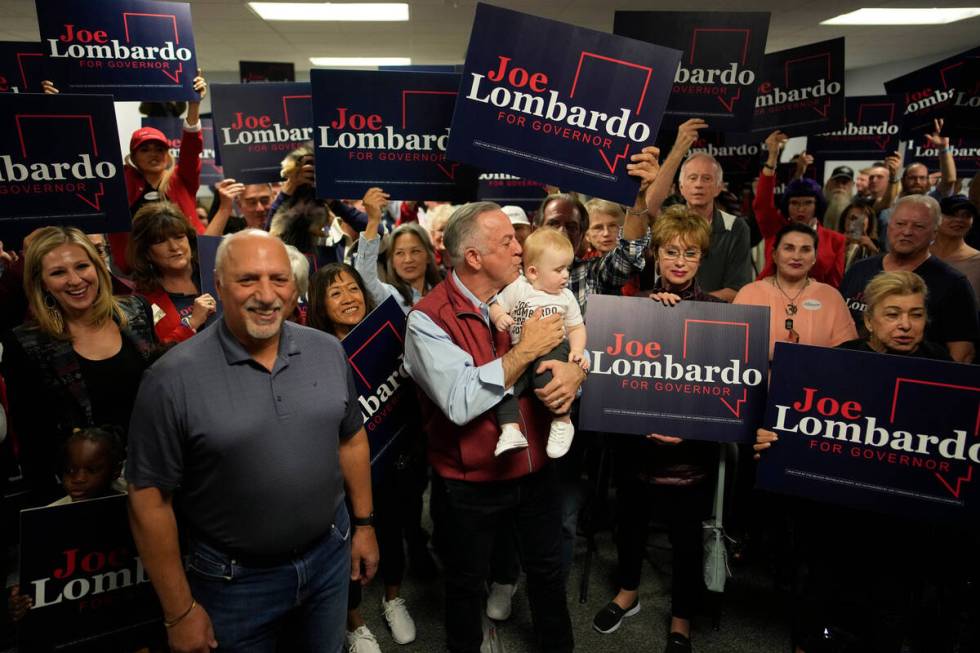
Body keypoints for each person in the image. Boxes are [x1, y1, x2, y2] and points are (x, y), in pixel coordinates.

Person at [126, 229, 378, 653]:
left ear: (295, 286)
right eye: (247, 280)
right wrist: (179, 610)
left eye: (278, 279)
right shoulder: (171, 379)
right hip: (234, 583)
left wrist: (365, 526)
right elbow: (148, 500)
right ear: (218, 286)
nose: (266, 294)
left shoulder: (328, 351)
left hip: (329, 562)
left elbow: (351, 439)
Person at [404, 202, 585, 653]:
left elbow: (567, 350)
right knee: (466, 583)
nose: (520, 247)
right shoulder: (427, 319)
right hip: (469, 483)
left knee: (546, 573)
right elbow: (460, 400)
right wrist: (525, 353)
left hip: (537, 467)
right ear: (474, 257)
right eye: (506, 241)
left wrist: (575, 375)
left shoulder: (529, 291)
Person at [754, 271, 957, 653]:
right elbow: (800, 426)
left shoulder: (941, 366)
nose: (905, 325)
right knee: (819, 593)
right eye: (893, 314)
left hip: (904, 523)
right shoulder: (842, 362)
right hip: (837, 518)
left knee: (889, 612)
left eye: (915, 315)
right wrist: (772, 439)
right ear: (869, 322)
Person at [592, 206, 720, 653]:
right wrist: (647, 315)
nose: (679, 261)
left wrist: (690, 432)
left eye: (689, 253)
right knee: (630, 525)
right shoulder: (632, 308)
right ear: (656, 257)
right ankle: (628, 594)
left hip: (691, 459)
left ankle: (682, 620)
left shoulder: (720, 315)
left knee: (686, 540)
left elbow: (725, 395)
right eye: (670, 252)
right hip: (635, 451)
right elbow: (611, 377)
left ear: (701, 258)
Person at [0, 227, 158, 504]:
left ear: (97, 266)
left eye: (82, 266)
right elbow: (31, 438)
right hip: (80, 495)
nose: (75, 280)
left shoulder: (136, 312)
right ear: (42, 283)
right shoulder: (25, 343)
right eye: (58, 273)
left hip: (152, 476)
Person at [7, 424, 126, 622]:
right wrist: (20, 601)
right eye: (70, 470)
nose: (77, 479)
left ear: (116, 471)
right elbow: (35, 584)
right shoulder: (45, 520)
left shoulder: (133, 512)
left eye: (91, 470)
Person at [840, 194, 978, 362]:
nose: (906, 232)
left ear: (935, 233)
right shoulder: (859, 270)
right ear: (889, 226)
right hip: (854, 373)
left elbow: (962, 354)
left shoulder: (954, 283)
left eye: (918, 226)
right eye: (900, 224)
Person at [489, 228, 588, 458]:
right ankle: (511, 430)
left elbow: (576, 327)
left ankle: (562, 421)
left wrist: (577, 350)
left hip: (554, 348)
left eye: (568, 269)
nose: (566, 276)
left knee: (547, 376)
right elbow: (494, 304)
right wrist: (499, 316)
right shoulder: (519, 288)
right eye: (558, 270)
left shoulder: (565, 297)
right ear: (533, 272)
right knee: (504, 388)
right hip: (521, 353)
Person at [643, 119, 754, 301]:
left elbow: (737, 290)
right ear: (681, 186)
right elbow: (648, 207)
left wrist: (690, 303)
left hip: (712, 317)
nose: (698, 185)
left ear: (719, 187)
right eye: (692, 178)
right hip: (661, 307)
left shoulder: (736, 227)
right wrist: (679, 147)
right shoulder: (668, 220)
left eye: (706, 179)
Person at [735, 223, 857, 358]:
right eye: (789, 248)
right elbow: (732, 348)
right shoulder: (749, 293)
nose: (797, 256)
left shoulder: (831, 297)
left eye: (805, 250)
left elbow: (847, 355)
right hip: (758, 378)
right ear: (775, 255)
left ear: (815, 257)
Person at [755, 131, 847, 287]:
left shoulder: (835, 240)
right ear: (787, 206)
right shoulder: (775, 229)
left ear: (817, 206)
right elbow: (762, 204)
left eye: (807, 203)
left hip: (816, 306)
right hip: (771, 300)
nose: (801, 209)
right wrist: (772, 158)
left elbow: (835, 285)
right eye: (795, 203)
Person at [128, 202, 217, 343]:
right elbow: (156, 356)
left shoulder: (215, 271)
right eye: (161, 241)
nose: (174, 247)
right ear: (146, 252)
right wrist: (191, 324)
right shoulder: (141, 302)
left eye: (179, 237)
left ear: (189, 238)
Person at [931, 195, 980, 306]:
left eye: (966, 215)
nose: (959, 220)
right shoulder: (918, 254)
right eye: (951, 214)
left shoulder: (978, 261)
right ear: (936, 217)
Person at [838, 199, 880, 272]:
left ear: (868, 224)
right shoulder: (833, 241)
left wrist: (872, 249)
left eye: (861, 219)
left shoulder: (874, 247)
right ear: (844, 220)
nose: (855, 223)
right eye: (852, 218)